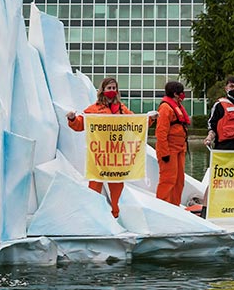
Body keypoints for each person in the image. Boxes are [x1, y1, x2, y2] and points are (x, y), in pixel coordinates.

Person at [67, 77, 138, 218]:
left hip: (117, 151)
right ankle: (93, 215)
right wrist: (72, 119)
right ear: (103, 90)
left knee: (117, 184)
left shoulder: (122, 109)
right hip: (99, 152)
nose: (112, 91)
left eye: (114, 88)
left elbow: (136, 123)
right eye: (109, 88)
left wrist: (150, 119)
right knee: (95, 185)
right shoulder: (94, 109)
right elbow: (81, 124)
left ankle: (116, 214)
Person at [155, 80, 191, 205]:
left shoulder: (177, 106)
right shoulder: (165, 108)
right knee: (168, 180)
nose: (183, 95)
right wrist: (164, 153)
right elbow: (161, 132)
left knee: (179, 181)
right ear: (176, 94)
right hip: (169, 150)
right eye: (182, 93)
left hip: (179, 149)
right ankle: (162, 208)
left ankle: (174, 208)